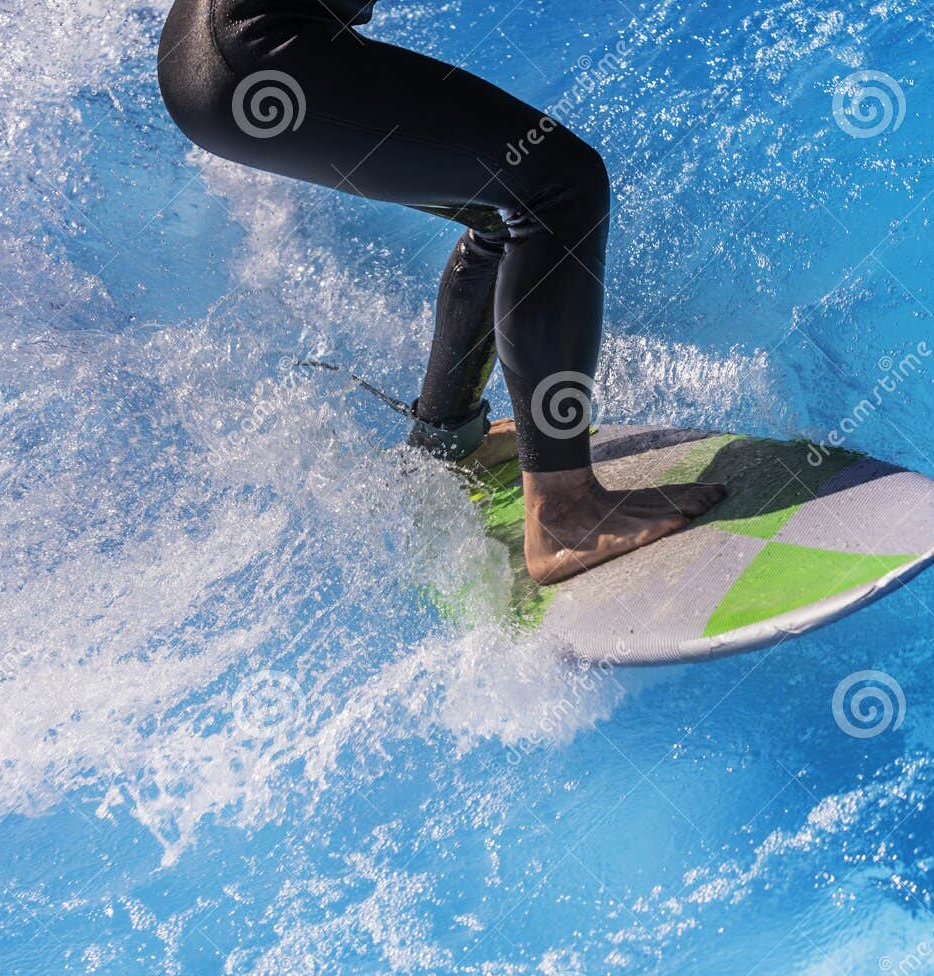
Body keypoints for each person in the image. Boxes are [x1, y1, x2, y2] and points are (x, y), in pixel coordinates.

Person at [157, 0, 725, 583]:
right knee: (558, 183)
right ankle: (565, 513)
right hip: (256, 57)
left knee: (503, 206)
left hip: (220, 63)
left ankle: (448, 442)